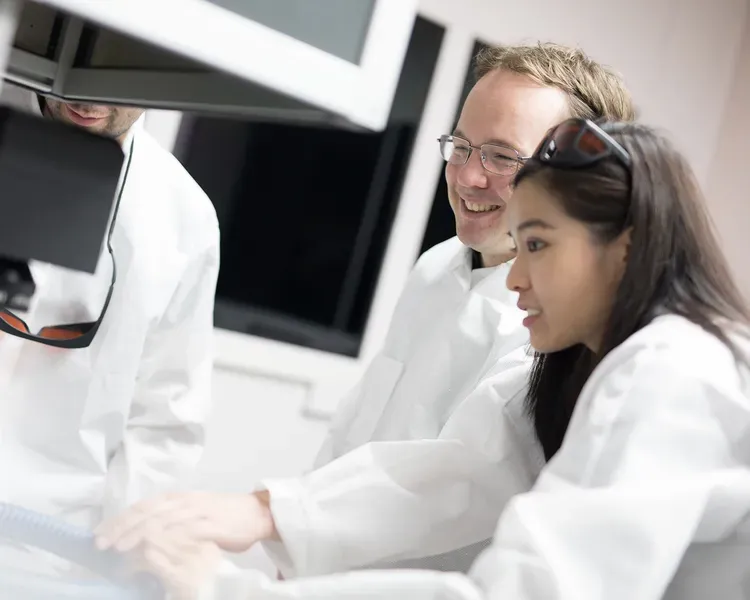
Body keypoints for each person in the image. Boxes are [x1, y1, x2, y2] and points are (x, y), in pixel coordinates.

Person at [98, 119, 750, 600]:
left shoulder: (668, 372)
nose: (516, 278)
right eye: (517, 246)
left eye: (539, 245)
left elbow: (533, 590)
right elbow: (455, 469)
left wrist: (238, 593)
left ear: (629, 247)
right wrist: (272, 516)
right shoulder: (612, 362)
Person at [93, 44, 635, 576]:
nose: (469, 177)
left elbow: (464, 475)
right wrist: (295, 545)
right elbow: (362, 422)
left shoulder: (560, 322)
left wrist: (274, 514)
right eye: (462, 146)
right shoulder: (439, 266)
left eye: (500, 156)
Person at [0, 95, 219, 573]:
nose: (91, 98)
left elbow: (164, 419)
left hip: (48, 549)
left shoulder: (183, 215)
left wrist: (111, 561)